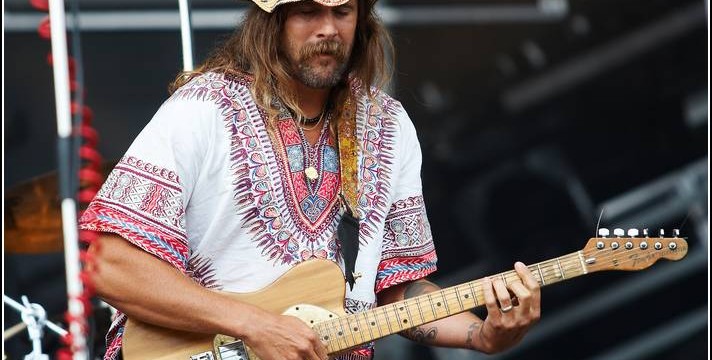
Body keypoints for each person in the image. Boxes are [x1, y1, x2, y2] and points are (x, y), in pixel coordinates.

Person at [80, 0, 541, 359]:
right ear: (272, 21)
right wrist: (254, 326)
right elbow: (107, 264)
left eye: (342, 12)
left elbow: (398, 288)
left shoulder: (388, 125)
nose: (327, 29)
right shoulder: (204, 109)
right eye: (307, 12)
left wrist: (482, 335)